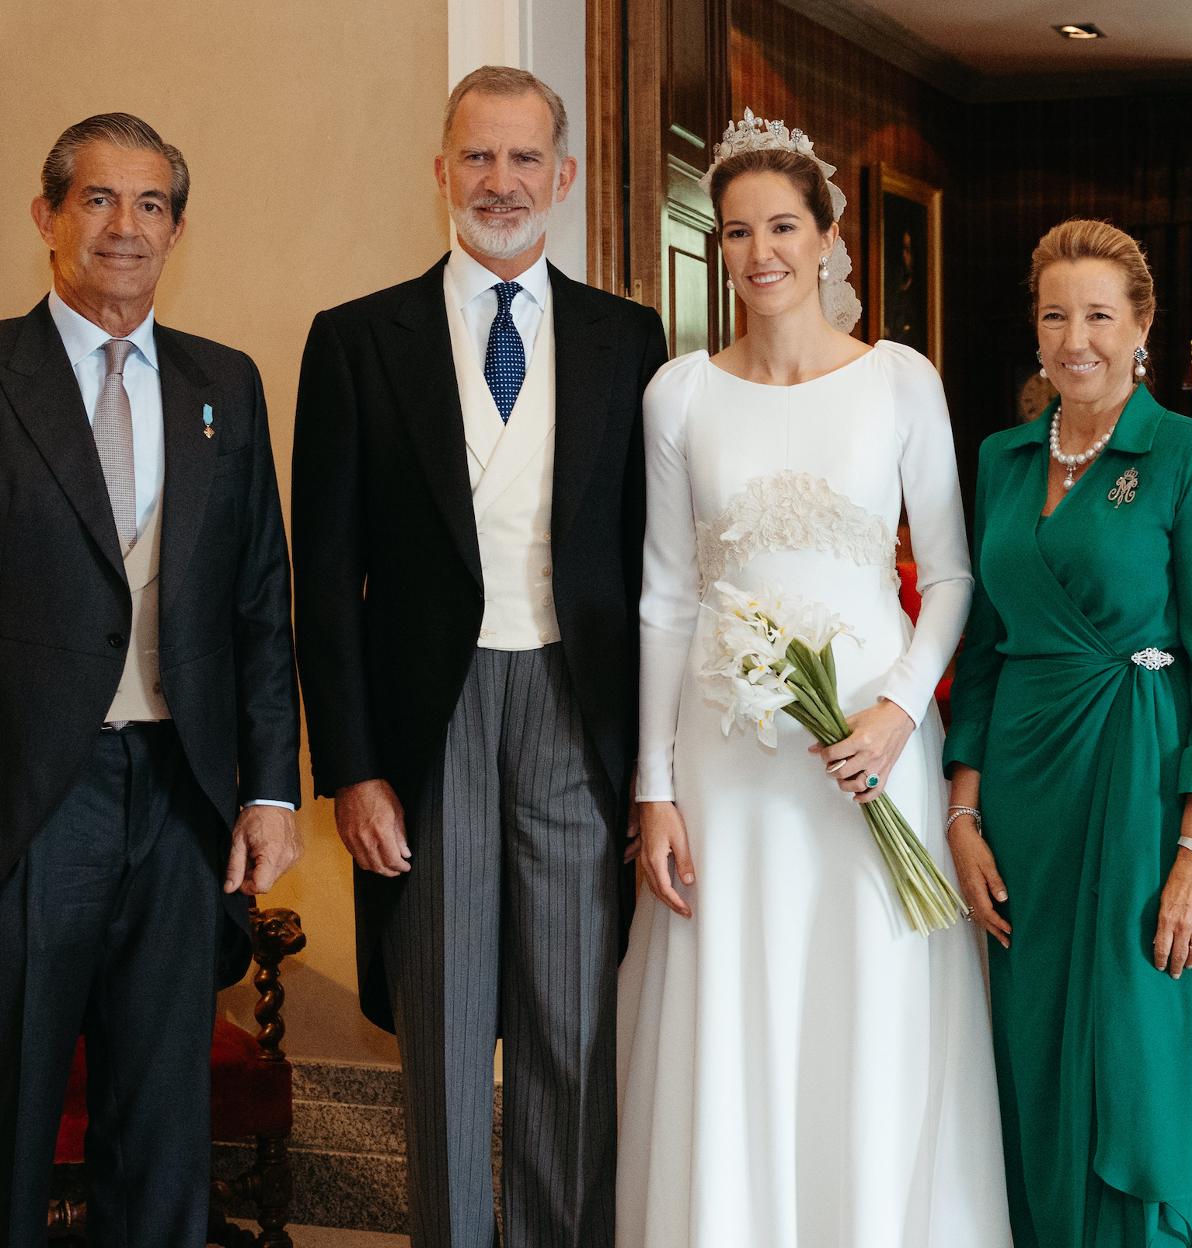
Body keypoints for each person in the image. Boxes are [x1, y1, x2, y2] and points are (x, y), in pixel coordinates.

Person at [616, 112, 1010, 1247]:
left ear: (830, 236)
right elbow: (665, 597)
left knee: (867, 996)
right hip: (725, 761)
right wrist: (655, 787)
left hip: (868, 758)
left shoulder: (899, 380)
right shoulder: (678, 396)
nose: (759, 252)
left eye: (782, 225)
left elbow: (947, 575)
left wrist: (896, 714)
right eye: (736, 231)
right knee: (736, 996)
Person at [292, 65, 666, 1248]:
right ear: (441, 172)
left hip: (575, 708)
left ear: (562, 178)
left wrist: (653, 766)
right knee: (448, 1031)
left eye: (522, 160)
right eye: (476, 158)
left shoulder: (627, 336)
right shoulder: (356, 340)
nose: (499, 183)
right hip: (429, 720)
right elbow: (325, 580)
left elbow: (654, 564)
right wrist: (353, 767)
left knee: (571, 1028)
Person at [0, 113, 301, 1247]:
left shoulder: (225, 383)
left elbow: (257, 606)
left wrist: (271, 788)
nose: (125, 227)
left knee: (162, 1123)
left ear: (178, 227)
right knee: (18, 1111)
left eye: (152, 204)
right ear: (48, 216)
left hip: (184, 799)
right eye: (97, 200)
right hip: (36, 797)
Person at [945, 219, 1192, 1247]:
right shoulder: (999, 457)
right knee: (1031, 1060)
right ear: (1035, 329)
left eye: (1100, 315)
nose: (1077, 337)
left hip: (1139, 796)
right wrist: (963, 810)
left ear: (1143, 328)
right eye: (1055, 314)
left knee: (1140, 1056)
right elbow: (981, 649)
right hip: (1022, 805)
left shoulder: (1189, 456)